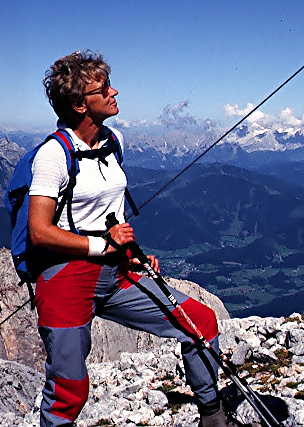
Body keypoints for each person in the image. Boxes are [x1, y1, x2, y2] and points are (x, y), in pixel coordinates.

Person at [27, 50, 232, 427]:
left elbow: (112, 214)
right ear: (78, 104)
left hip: (115, 274)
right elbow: (38, 232)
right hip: (66, 280)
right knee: (69, 388)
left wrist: (129, 253)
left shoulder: (113, 142)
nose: (114, 91)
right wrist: (101, 246)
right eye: (102, 87)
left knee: (199, 322)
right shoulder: (53, 155)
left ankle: (213, 417)